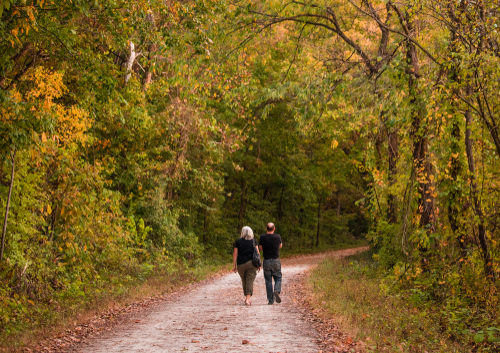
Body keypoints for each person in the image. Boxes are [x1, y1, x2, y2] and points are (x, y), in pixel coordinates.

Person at [233, 226, 261, 305]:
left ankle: (247, 297)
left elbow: (235, 254)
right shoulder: (253, 241)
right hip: (251, 264)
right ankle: (247, 300)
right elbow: (257, 253)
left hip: (240, 264)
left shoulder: (238, 242)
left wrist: (234, 265)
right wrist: (259, 264)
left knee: (244, 280)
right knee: (249, 281)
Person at [259, 222, 282, 305]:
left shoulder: (262, 237)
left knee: (268, 281)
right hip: (276, 260)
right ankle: (276, 290)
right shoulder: (277, 236)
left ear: (266, 229)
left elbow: (261, 248)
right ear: (274, 229)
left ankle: (270, 300)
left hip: (266, 261)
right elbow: (280, 246)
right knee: (278, 277)